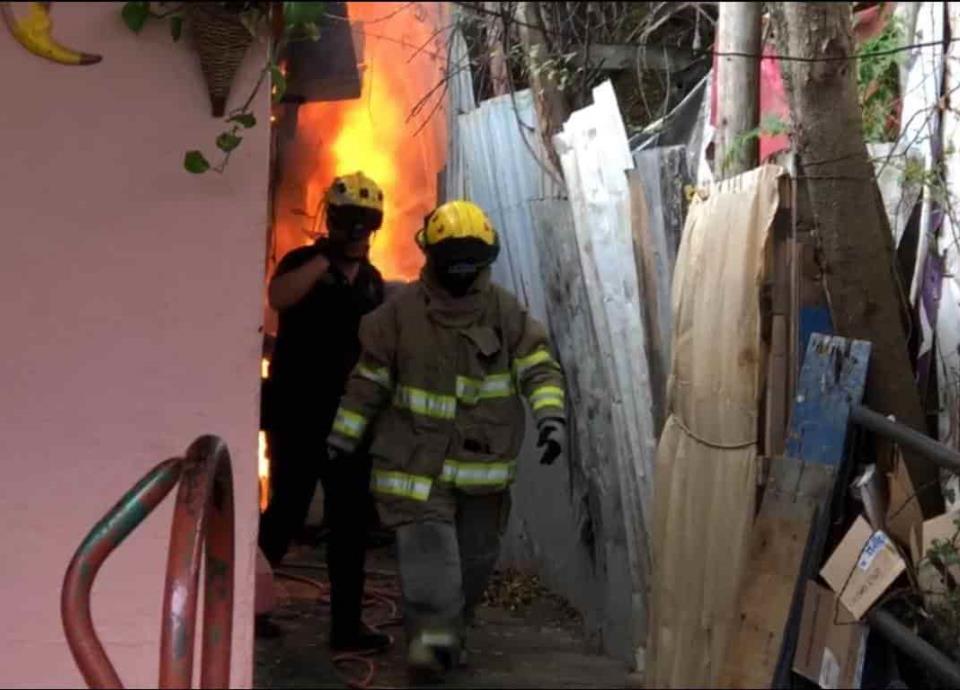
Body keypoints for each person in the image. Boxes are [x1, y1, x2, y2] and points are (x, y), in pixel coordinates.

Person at [325, 200, 567, 678]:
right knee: (433, 572)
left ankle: (450, 637)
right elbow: (368, 383)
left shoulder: (504, 313)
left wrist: (551, 418)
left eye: (470, 262)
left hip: (482, 473)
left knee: (474, 566)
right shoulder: (399, 316)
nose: (461, 272)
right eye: (453, 260)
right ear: (432, 257)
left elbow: (538, 367)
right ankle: (431, 652)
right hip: (414, 470)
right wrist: (342, 438)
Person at [258, 171, 389, 652]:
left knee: (350, 524)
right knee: (286, 512)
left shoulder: (372, 283)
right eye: (348, 220)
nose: (356, 231)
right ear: (331, 219)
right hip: (296, 413)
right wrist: (325, 257)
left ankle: (346, 627)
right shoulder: (302, 262)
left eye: (364, 222)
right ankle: (248, 608)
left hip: (349, 421)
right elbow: (279, 297)